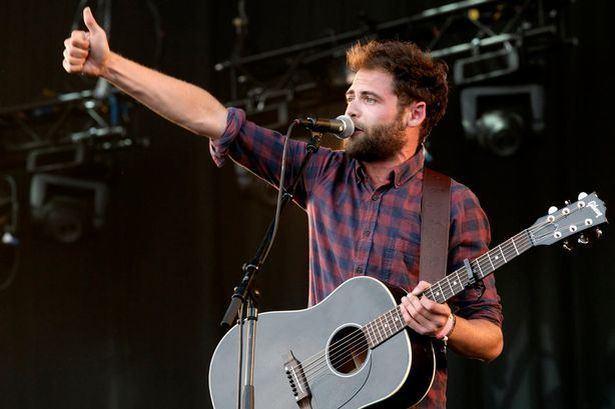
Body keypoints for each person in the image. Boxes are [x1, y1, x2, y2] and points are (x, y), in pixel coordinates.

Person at [63, 7, 503, 408]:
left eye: (369, 99)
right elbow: (212, 120)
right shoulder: (320, 169)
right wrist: (109, 67)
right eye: (351, 95)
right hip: (321, 396)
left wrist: (446, 325)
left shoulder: (451, 203)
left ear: (414, 114)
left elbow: (491, 338)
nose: (350, 108)